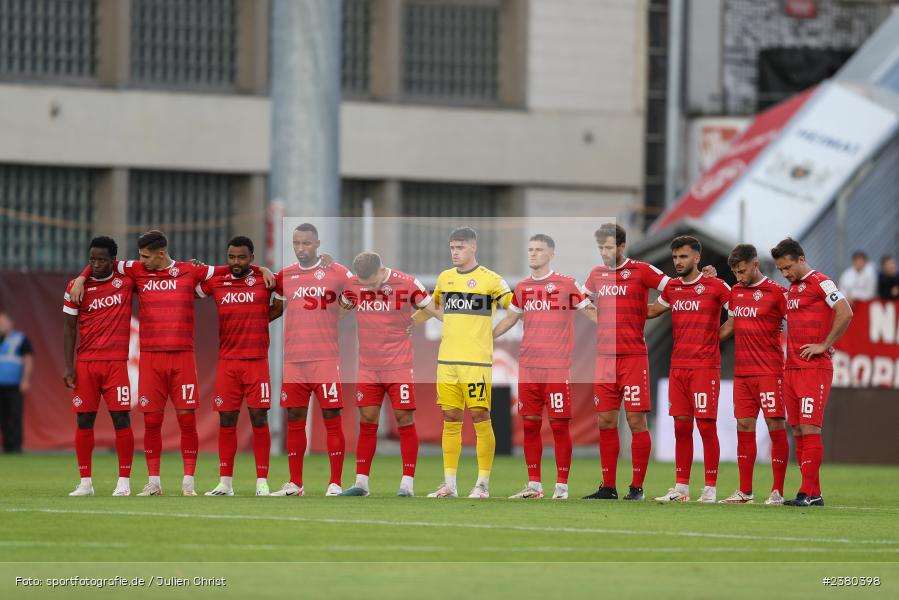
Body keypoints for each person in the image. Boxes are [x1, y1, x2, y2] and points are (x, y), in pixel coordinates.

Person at [68, 230, 274, 496]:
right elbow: (104, 260)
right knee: (151, 420)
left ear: (161, 254)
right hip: (151, 357)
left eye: (145, 256)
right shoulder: (137, 270)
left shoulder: (190, 271)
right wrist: (81, 278)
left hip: (182, 357)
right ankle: (154, 482)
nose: (141, 260)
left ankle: (188, 483)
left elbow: (233, 267)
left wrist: (263, 268)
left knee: (187, 420)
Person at [493, 234, 595, 500]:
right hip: (528, 368)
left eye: (539, 249)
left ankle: (561, 486)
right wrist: (486, 336)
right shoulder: (523, 287)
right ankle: (534, 485)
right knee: (529, 425)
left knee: (559, 426)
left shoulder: (567, 283)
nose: (533, 254)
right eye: (530, 249)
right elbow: (511, 319)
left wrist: (614, 328)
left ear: (551, 254)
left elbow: (590, 311)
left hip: (557, 368)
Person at [416, 227, 512, 499]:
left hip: (476, 363)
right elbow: (433, 307)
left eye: (459, 247)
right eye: (452, 247)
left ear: (473, 248)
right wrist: (412, 321)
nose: (454, 252)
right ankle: (450, 484)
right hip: (447, 361)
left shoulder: (491, 280)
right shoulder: (445, 278)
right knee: (450, 419)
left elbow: (515, 308)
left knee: (481, 417)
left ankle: (482, 484)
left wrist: (494, 332)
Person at [337, 252, 440, 497]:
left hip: (399, 366)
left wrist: (417, 318)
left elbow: (436, 310)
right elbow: (340, 314)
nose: (368, 288)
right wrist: (343, 306)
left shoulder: (406, 283)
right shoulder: (353, 284)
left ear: (381, 271)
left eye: (371, 282)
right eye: (363, 284)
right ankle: (361, 483)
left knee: (404, 419)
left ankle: (407, 484)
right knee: (367, 420)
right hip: (368, 368)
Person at [580, 223, 669, 501]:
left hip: (633, 358)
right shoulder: (597, 275)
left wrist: (654, 310)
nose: (604, 252)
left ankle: (637, 487)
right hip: (604, 359)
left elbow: (672, 287)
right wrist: (597, 317)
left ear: (621, 246)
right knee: (605, 420)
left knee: (635, 421)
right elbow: (583, 299)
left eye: (608, 247)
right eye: (600, 248)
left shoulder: (640, 270)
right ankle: (608, 486)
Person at [269, 223, 353, 497]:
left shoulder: (335, 271)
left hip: (325, 359)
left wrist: (343, 308)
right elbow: (276, 308)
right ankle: (295, 484)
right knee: (294, 416)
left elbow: (357, 288)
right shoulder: (286, 276)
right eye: (296, 243)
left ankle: (335, 483)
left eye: (306, 243)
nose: (300, 248)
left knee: (331, 416)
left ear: (317, 244)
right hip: (294, 360)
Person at [648, 236, 731, 503]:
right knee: (680, 428)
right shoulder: (672, 288)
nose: (678, 262)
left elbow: (738, 315)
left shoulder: (716, 286)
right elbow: (652, 311)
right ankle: (681, 488)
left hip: (704, 367)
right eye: (674, 257)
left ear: (697, 258)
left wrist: (713, 339)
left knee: (706, 427)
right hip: (678, 368)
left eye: (683, 257)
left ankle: (710, 488)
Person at [771, 238, 853, 507]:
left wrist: (825, 344)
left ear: (801, 259)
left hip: (813, 369)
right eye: (781, 270)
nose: (784, 274)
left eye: (787, 267)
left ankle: (806, 493)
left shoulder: (821, 281)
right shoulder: (792, 290)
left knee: (809, 428)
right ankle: (814, 492)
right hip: (791, 368)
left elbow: (846, 311)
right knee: (798, 431)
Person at [196, 237, 275, 497]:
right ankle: (225, 483)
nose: (236, 262)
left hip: (257, 362)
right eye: (231, 257)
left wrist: (260, 319)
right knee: (226, 420)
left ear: (252, 257)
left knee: (259, 419)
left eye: (241, 257)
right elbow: (192, 286)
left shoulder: (265, 280)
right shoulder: (217, 281)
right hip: (228, 362)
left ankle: (262, 482)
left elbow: (285, 297)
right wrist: (202, 268)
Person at [717, 244, 789, 505]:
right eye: (735, 272)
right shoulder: (736, 292)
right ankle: (745, 491)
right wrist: (705, 343)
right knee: (743, 426)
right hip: (743, 374)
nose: (739, 277)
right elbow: (731, 325)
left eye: (743, 271)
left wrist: (822, 341)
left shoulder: (776, 293)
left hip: (769, 372)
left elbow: (798, 319)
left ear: (755, 264)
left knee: (775, 426)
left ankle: (777, 491)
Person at [63, 237, 135, 496]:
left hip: (116, 363)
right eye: (91, 259)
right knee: (84, 420)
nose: (95, 264)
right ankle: (85, 483)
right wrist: (68, 366)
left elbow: (150, 266)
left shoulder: (126, 281)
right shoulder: (75, 287)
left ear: (113, 261)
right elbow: (69, 327)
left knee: (121, 418)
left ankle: (124, 481)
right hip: (86, 364)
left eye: (101, 260)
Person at [0, 310, 33, 453]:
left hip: (14, 386)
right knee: (2, 417)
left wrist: (25, 380)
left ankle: (15, 446)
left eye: (2, 321)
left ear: (10, 323)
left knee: (14, 416)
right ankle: (6, 445)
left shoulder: (20, 339)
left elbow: (29, 360)